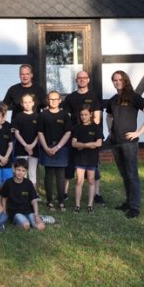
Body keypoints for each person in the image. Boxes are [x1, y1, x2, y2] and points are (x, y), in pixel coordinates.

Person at [106, 70, 144, 219]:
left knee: (132, 175)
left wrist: (139, 132)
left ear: (125, 80)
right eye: (115, 80)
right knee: (124, 175)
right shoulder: (113, 99)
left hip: (129, 143)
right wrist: (110, 129)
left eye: (120, 79)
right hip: (116, 142)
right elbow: (108, 116)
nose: (117, 82)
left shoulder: (134, 97)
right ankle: (128, 202)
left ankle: (135, 207)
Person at [63, 71, 104, 204]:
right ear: (76, 80)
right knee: (70, 165)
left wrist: (91, 133)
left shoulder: (94, 96)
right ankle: (64, 193)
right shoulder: (70, 98)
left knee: (94, 166)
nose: (82, 80)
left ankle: (97, 194)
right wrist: (74, 134)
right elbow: (67, 118)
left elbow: (97, 116)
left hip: (91, 136)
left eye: (84, 78)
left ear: (88, 80)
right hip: (75, 135)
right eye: (79, 78)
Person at [38, 91, 72, 212]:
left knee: (61, 175)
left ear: (60, 100)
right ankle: (49, 201)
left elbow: (68, 132)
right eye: (51, 99)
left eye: (55, 99)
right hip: (47, 147)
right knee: (49, 174)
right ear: (47, 100)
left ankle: (61, 201)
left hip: (61, 148)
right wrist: (46, 148)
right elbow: (40, 132)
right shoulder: (43, 115)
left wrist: (58, 147)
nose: (53, 101)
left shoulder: (64, 115)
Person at [71, 104, 103, 214]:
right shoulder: (77, 128)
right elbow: (74, 143)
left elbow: (99, 143)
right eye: (81, 115)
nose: (83, 117)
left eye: (85, 114)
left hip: (91, 158)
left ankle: (90, 205)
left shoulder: (96, 128)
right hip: (80, 158)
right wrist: (88, 145)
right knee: (79, 180)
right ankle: (77, 205)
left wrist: (83, 145)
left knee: (91, 180)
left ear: (90, 114)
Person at [0, 159, 45, 231]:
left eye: (23, 171)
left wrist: (36, 215)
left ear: (26, 172)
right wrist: (4, 212)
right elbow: (4, 198)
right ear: (14, 169)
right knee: (26, 226)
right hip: (15, 211)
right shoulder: (8, 182)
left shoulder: (28, 183)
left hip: (28, 210)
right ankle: (21, 221)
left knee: (41, 227)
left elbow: (34, 201)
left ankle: (40, 218)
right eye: (18, 170)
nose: (20, 173)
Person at [12, 94, 40, 197]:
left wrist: (32, 145)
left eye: (29, 102)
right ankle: (21, 195)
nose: (27, 104)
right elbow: (16, 133)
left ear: (33, 103)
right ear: (22, 104)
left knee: (32, 173)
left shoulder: (38, 116)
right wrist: (25, 145)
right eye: (25, 102)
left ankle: (33, 195)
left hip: (34, 149)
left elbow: (39, 133)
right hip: (21, 148)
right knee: (21, 173)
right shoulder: (18, 116)